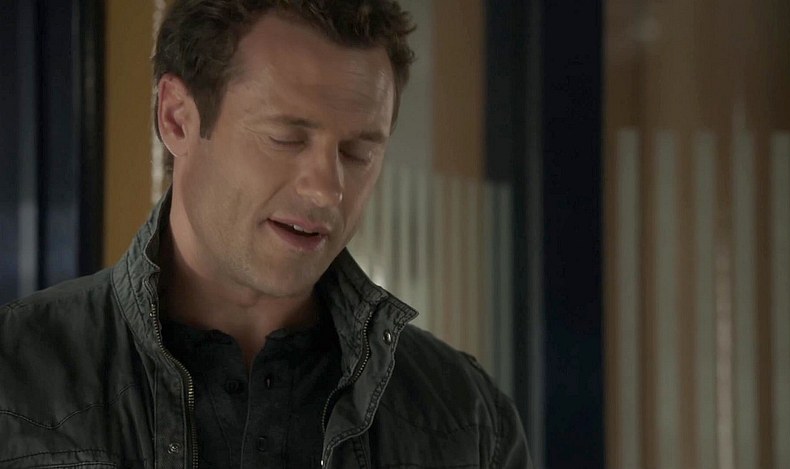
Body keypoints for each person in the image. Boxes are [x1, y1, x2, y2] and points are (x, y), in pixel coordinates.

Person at [0, 0, 532, 467]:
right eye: (286, 139)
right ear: (177, 118)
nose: (327, 190)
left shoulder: (467, 420)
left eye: (357, 152)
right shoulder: (15, 374)